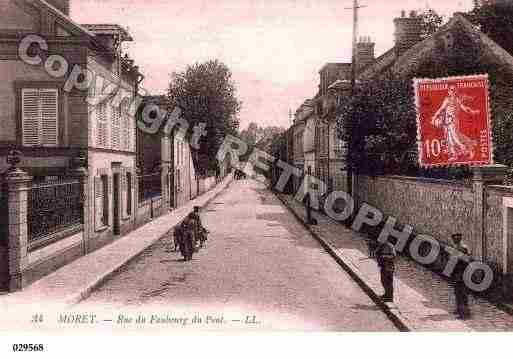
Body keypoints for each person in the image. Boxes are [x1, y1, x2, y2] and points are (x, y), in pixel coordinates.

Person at [431, 85, 480, 161]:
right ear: (449, 91)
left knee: (455, 137)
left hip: (454, 121)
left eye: (454, 90)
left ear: (456, 91)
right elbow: (441, 109)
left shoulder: (457, 100)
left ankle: (469, 149)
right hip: (447, 121)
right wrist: (434, 117)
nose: (453, 91)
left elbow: (465, 108)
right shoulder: (447, 99)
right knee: (450, 138)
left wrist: (473, 112)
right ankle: (454, 154)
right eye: (451, 90)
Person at [451, 233, 470, 319]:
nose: (454, 241)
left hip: (461, 273)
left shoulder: (461, 248)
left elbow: (460, 260)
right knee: (458, 292)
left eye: (455, 239)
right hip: (458, 272)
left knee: (461, 293)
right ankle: (459, 309)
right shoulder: (459, 247)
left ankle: (464, 314)